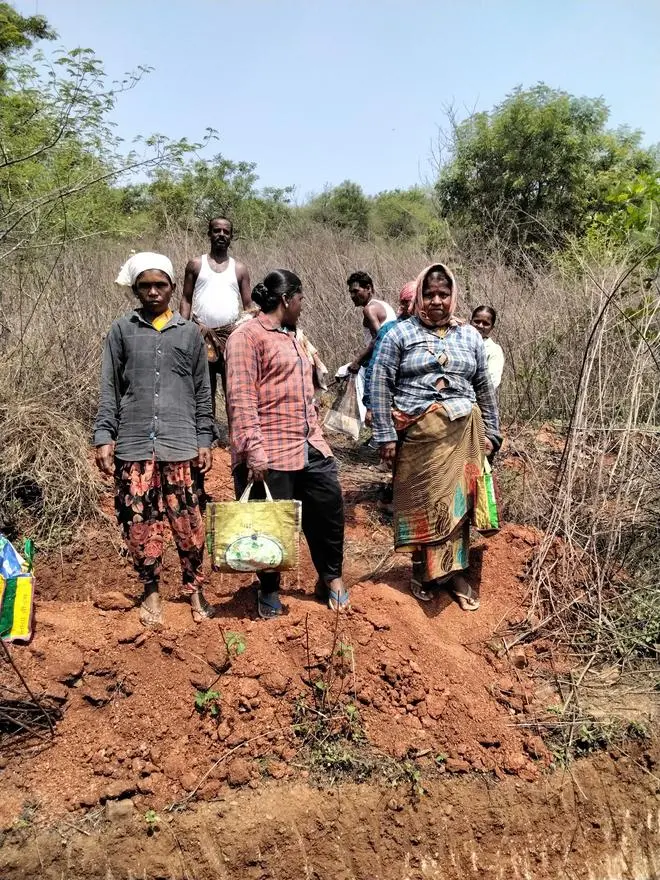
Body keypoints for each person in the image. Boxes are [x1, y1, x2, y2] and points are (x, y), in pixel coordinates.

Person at [94, 252, 215, 627]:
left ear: (173, 288)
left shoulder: (190, 333)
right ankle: (150, 591)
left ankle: (194, 590)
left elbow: (202, 390)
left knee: (190, 523)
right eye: (145, 286)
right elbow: (109, 388)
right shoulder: (122, 330)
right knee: (138, 521)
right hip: (133, 444)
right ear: (135, 290)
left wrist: (204, 438)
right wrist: (104, 436)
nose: (152, 292)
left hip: (180, 444)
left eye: (160, 285)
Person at [370, 263, 501, 610]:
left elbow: (484, 389)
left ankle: (455, 573)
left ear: (453, 297)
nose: (437, 301)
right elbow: (380, 384)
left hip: (464, 435)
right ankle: (423, 571)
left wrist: (493, 433)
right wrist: (385, 436)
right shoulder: (399, 334)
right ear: (419, 298)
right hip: (419, 437)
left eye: (444, 294)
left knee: (457, 508)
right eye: (429, 294)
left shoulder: (470, 336)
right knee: (421, 505)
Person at [225, 269, 348, 619]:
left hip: (309, 441)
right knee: (269, 523)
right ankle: (268, 589)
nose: (302, 304)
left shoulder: (293, 336)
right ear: (286, 299)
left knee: (328, 509)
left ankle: (331, 578)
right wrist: (254, 450)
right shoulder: (246, 337)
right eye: (300, 298)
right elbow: (240, 398)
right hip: (270, 447)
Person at [181, 217, 252, 422]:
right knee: (205, 388)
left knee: (233, 390)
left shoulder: (239, 269)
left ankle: (235, 435)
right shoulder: (195, 264)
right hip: (202, 334)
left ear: (231, 237)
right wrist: (183, 331)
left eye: (226, 232)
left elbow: (248, 307)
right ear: (209, 233)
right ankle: (207, 434)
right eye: (217, 230)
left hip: (231, 336)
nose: (221, 235)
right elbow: (186, 299)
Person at [346, 271, 397, 375]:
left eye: (356, 291)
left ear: (368, 288)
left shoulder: (369, 309)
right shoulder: (383, 304)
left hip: (380, 364)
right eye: (350, 292)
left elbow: (379, 338)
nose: (352, 296)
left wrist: (357, 361)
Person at [471, 305, 504, 390]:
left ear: (492, 327)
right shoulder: (458, 340)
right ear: (470, 321)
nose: (480, 326)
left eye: (486, 323)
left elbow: (493, 381)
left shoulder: (494, 350)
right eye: (477, 321)